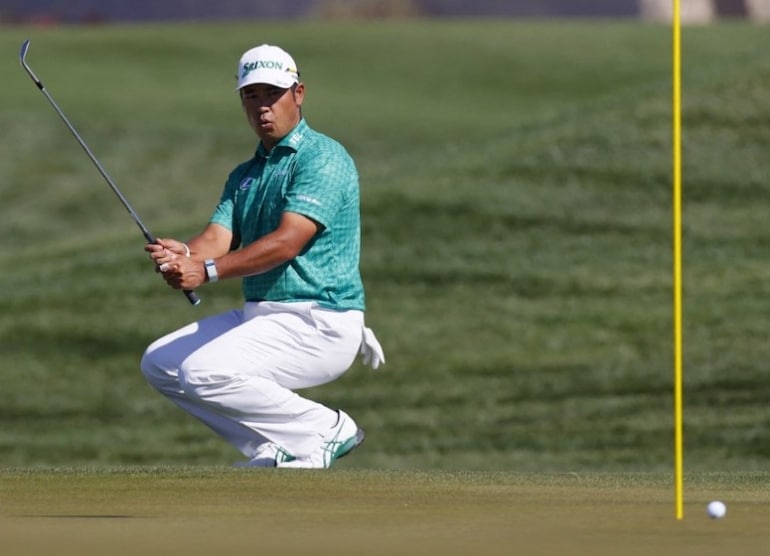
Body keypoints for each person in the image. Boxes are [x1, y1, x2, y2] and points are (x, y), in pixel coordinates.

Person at [140, 44, 384, 469]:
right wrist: (185, 252)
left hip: (319, 320)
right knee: (161, 363)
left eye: (272, 93)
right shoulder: (246, 174)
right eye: (251, 96)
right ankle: (274, 445)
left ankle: (325, 429)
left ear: (299, 93)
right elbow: (218, 237)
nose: (262, 106)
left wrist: (206, 271)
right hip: (264, 317)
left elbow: (287, 242)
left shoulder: (323, 158)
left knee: (201, 373)